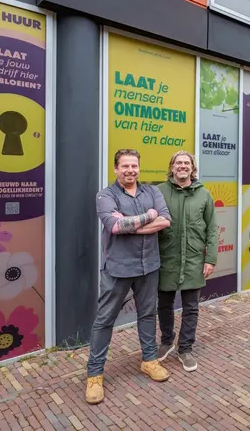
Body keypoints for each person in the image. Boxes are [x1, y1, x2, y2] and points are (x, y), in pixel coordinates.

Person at [87, 149, 172, 405]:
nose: (130, 170)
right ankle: (94, 375)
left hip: (149, 267)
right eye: (125, 166)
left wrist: (130, 225)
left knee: (147, 314)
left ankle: (148, 360)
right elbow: (114, 226)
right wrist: (149, 216)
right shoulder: (105, 195)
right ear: (116, 169)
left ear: (139, 168)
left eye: (134, 166)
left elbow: (166, 220)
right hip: (118, 268)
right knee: (104, 320)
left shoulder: (152, 192)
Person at [156, 151, 217, 372]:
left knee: (191, 308)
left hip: (194, 259)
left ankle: (185, 348)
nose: (182, 166)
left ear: (193, 168)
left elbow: (212, 229)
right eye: (178, 163)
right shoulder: (159, 192)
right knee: (164, 305)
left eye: (186, 163)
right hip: (167, 258)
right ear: (171, 167)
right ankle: (166, 341)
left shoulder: (204, 195)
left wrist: (210, 259)